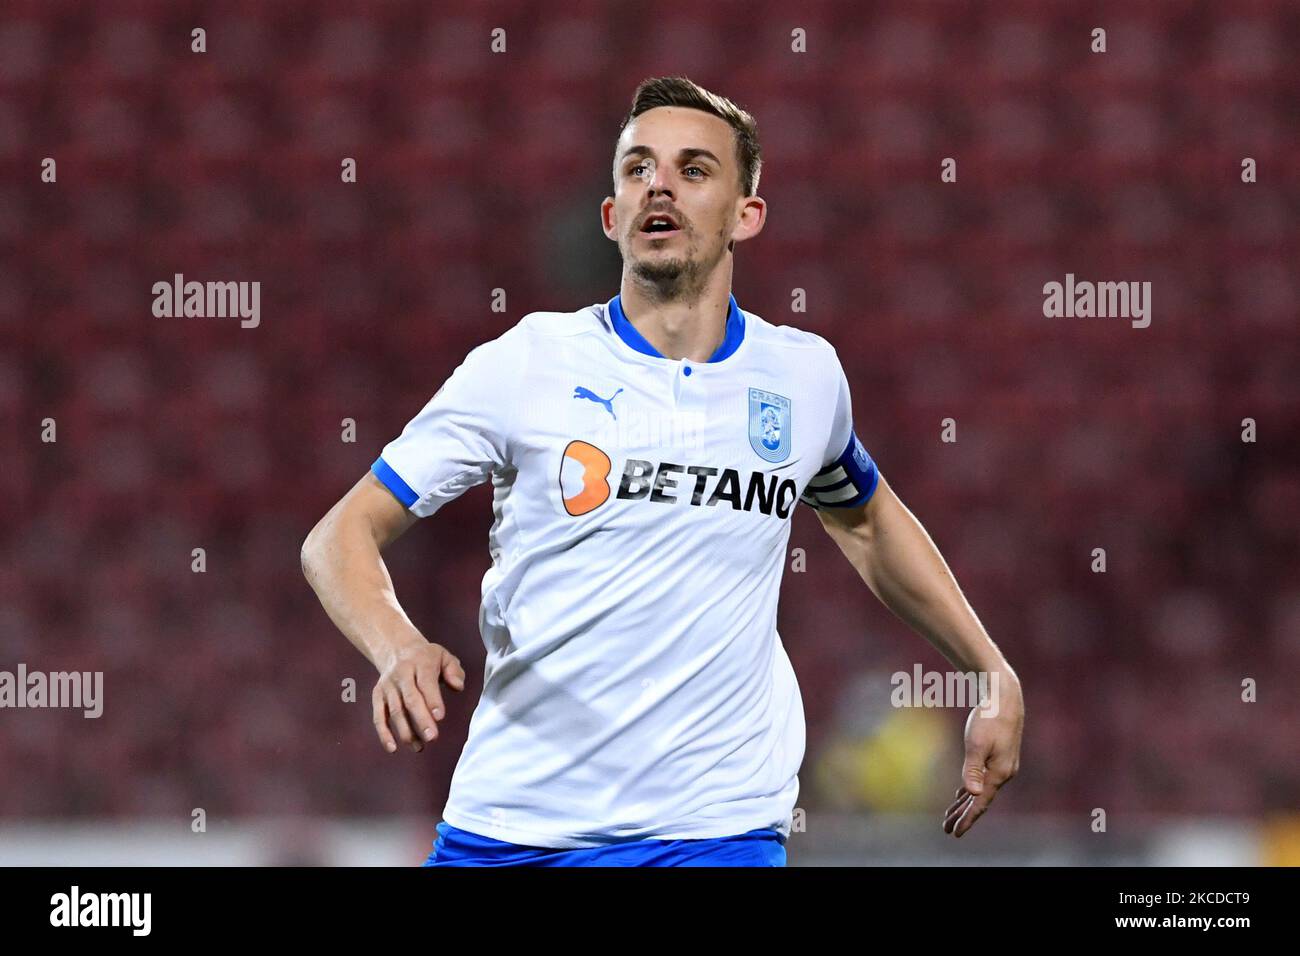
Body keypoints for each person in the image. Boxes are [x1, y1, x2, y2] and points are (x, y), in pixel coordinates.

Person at [301, 76, 1024, 867]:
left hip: (716, 830)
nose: (661, 186)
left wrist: (989, 670)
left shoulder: (803, 378)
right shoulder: (526, 365)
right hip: (515, 827)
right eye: (638, 168)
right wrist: (397, 645)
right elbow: (339, 534)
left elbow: (868, 520)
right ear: (613, 216)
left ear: (746, 214)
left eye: (694, 169)